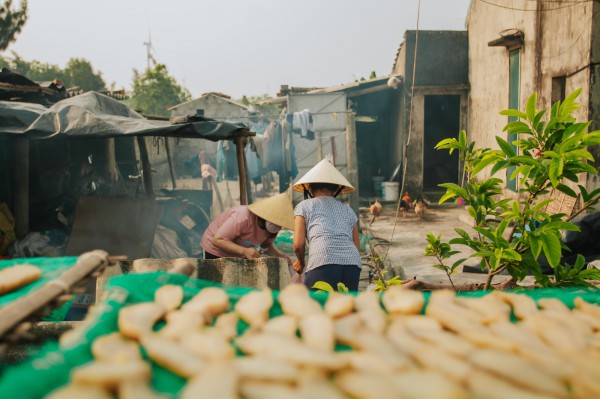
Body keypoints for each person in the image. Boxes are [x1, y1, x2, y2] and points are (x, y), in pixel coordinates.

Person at [292, 159, 361, 291]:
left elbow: (298, 245)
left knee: (318, 307)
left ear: (310, 188)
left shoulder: (304, 206)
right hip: (352, 263)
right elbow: (356, 246)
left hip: (322, 259)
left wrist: (301, 262)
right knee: (346, 307)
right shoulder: (348, 210)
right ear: (336, 189)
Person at [200, 192, 294, 267]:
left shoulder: (271, 230)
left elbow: (267, 245)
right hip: (216, 250)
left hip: (238, 253)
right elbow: (217, 240)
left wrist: (279, 255)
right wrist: (244, 251)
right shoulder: (243, 217)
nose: (277, 225)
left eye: (279, 223)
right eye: (274, 220)